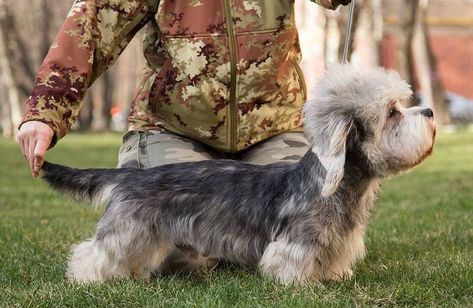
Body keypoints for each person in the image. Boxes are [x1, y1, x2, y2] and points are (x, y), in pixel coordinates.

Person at [17, 0, 352, 273]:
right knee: (179, 255)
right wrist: (45, 113)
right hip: (175, 129)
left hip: (272, 127)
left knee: (307, 233)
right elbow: (90, 26)